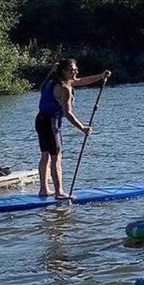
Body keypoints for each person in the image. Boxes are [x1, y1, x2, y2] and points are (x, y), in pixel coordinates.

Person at [35, 59, 110, 198]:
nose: (75, 71)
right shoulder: (65, 88)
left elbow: (81, 81)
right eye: (72, 70)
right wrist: (83, 128)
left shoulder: (52, 80)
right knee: (56, 157)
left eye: (75, 69)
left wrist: (100, 76)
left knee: (45, 156)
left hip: (40, 120)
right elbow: (68, 113)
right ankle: (59, 193)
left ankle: (44, 190)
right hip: (50, 123)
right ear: (64, 71)